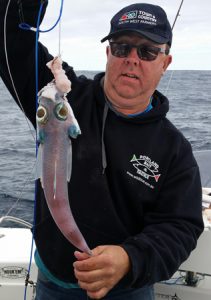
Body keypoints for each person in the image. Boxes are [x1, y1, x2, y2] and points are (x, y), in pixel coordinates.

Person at [0, 1, 204, 300]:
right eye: (122, 47)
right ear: (108, 53)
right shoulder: (61, 96)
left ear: (165, 62)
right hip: (53, 282)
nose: (132, 59)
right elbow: (10, 39)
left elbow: (180, 227)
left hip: (127, 289)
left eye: (147, 51)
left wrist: (129, 259)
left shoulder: (175, 150)